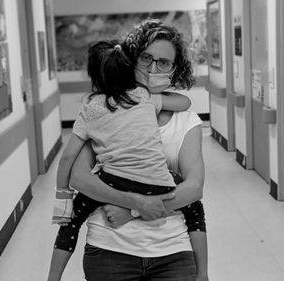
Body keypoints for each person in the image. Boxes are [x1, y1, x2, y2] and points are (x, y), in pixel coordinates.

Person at [47, 20, 208, 281]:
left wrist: (131, 210)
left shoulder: (184, 120)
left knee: (72, 218)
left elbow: (194, 188)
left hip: (172, 250)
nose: (154, 68)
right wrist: (136, 202)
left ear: (176, 68)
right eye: (146, 58)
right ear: (131, 59)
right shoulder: (106, 111)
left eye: (164, 62)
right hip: (109, 248)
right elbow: (80, 178)